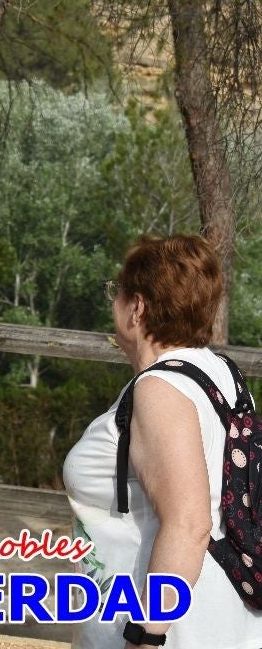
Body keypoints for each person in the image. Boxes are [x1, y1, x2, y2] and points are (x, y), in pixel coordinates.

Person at [63, 235, 262, 649]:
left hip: (175, 628)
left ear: (137, 307)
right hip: (222, 615)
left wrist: (146, 636)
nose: (112, 303)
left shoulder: (159, 390)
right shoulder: (221, 374)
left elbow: (189, 523)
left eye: (115, 292)